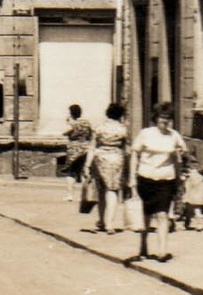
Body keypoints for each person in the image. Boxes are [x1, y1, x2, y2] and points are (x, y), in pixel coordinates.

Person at [129, 102, 187, 263]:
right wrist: (132, 178)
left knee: (162, 214)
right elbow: (134, 154)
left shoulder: (174, 135)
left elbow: (180, 155)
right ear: (156, 118)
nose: (165, 120)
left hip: (166, 180)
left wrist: (179, 175)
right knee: (147, 214)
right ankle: (143, 246)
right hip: (145, 179)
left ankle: (162, 251)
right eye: (162, 117)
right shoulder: (146, 133)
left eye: (168, 118)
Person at [85, 102, 130, 234]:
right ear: (120, 115)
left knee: (101, 191)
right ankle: (110, 224)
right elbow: (127, 149)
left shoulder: (99, 128)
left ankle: (102, 221)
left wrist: (87, 165)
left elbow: (92, 147)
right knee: (113, 190)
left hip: (100, 159)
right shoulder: (123, 129)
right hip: (117, 159)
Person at [62, 104, 94, 202]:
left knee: (71, 173)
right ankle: (84, 195)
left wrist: (68, 122)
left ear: (71, 113)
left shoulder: (72, 123)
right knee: (84, 172)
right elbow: (92, 133)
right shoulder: (86, 123)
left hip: (74, 150)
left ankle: (70, 195)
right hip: (86, 148)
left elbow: (64, 132)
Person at [180, 158, 203, 231]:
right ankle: (198, 225)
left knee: (189, 209)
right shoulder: (201, 176)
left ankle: (188, 224)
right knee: (196, 209)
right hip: (198, 195)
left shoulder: (189, 174)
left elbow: (183, 180)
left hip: (190, 195)